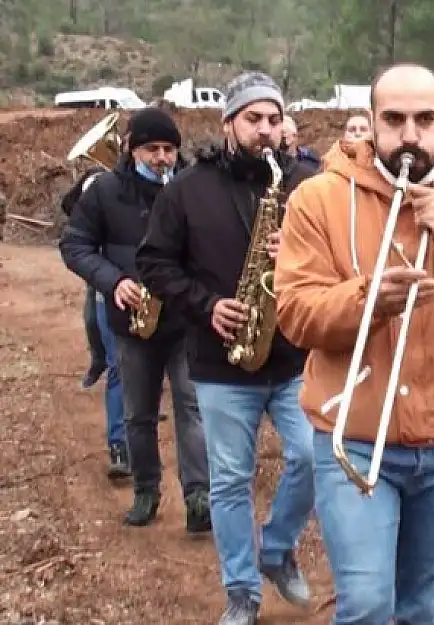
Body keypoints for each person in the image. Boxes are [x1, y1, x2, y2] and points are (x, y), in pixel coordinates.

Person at [273, 62, 434, 625]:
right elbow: (296, 314)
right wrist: (368, 299)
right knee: (367, 606)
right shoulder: (317, 199)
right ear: (372, 124)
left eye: (425, 119)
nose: (410, 134)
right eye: (395, 119)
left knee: (423, 608)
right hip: (354, 438)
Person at [135, 71, 316, 625]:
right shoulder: (188, 188)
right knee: (231, 481)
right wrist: (207, 304)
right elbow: (153, 263)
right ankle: (241, 591)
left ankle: (278, 550)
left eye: (273, 118)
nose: (265, 130)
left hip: (292, 357)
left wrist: (303, 246)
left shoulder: (305, 182)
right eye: (253, 119)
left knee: (313, 459)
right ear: (228, 124)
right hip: (219, 364)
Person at [60, 107, 211, 531]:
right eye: (152, 149)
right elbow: (75, 245)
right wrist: (113, 281)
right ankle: (146, 490)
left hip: (183, 322)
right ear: (131, 148)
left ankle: (198, 494)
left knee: (191, 407)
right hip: (131, 324)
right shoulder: (104, 191)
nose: (162, 158)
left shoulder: (191, 188)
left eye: (168, 149)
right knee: (138, 415)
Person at [58, 161, 127, 477]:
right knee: (117, 367)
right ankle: (119, 445)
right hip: (107, 289)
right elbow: (71, 213)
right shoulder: (96, 181)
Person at [60, 168, 112, 391]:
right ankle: (98, 361)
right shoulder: (94, 175)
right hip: (98, 256)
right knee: (93, 319)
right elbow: (67, 203)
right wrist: (87, 213)